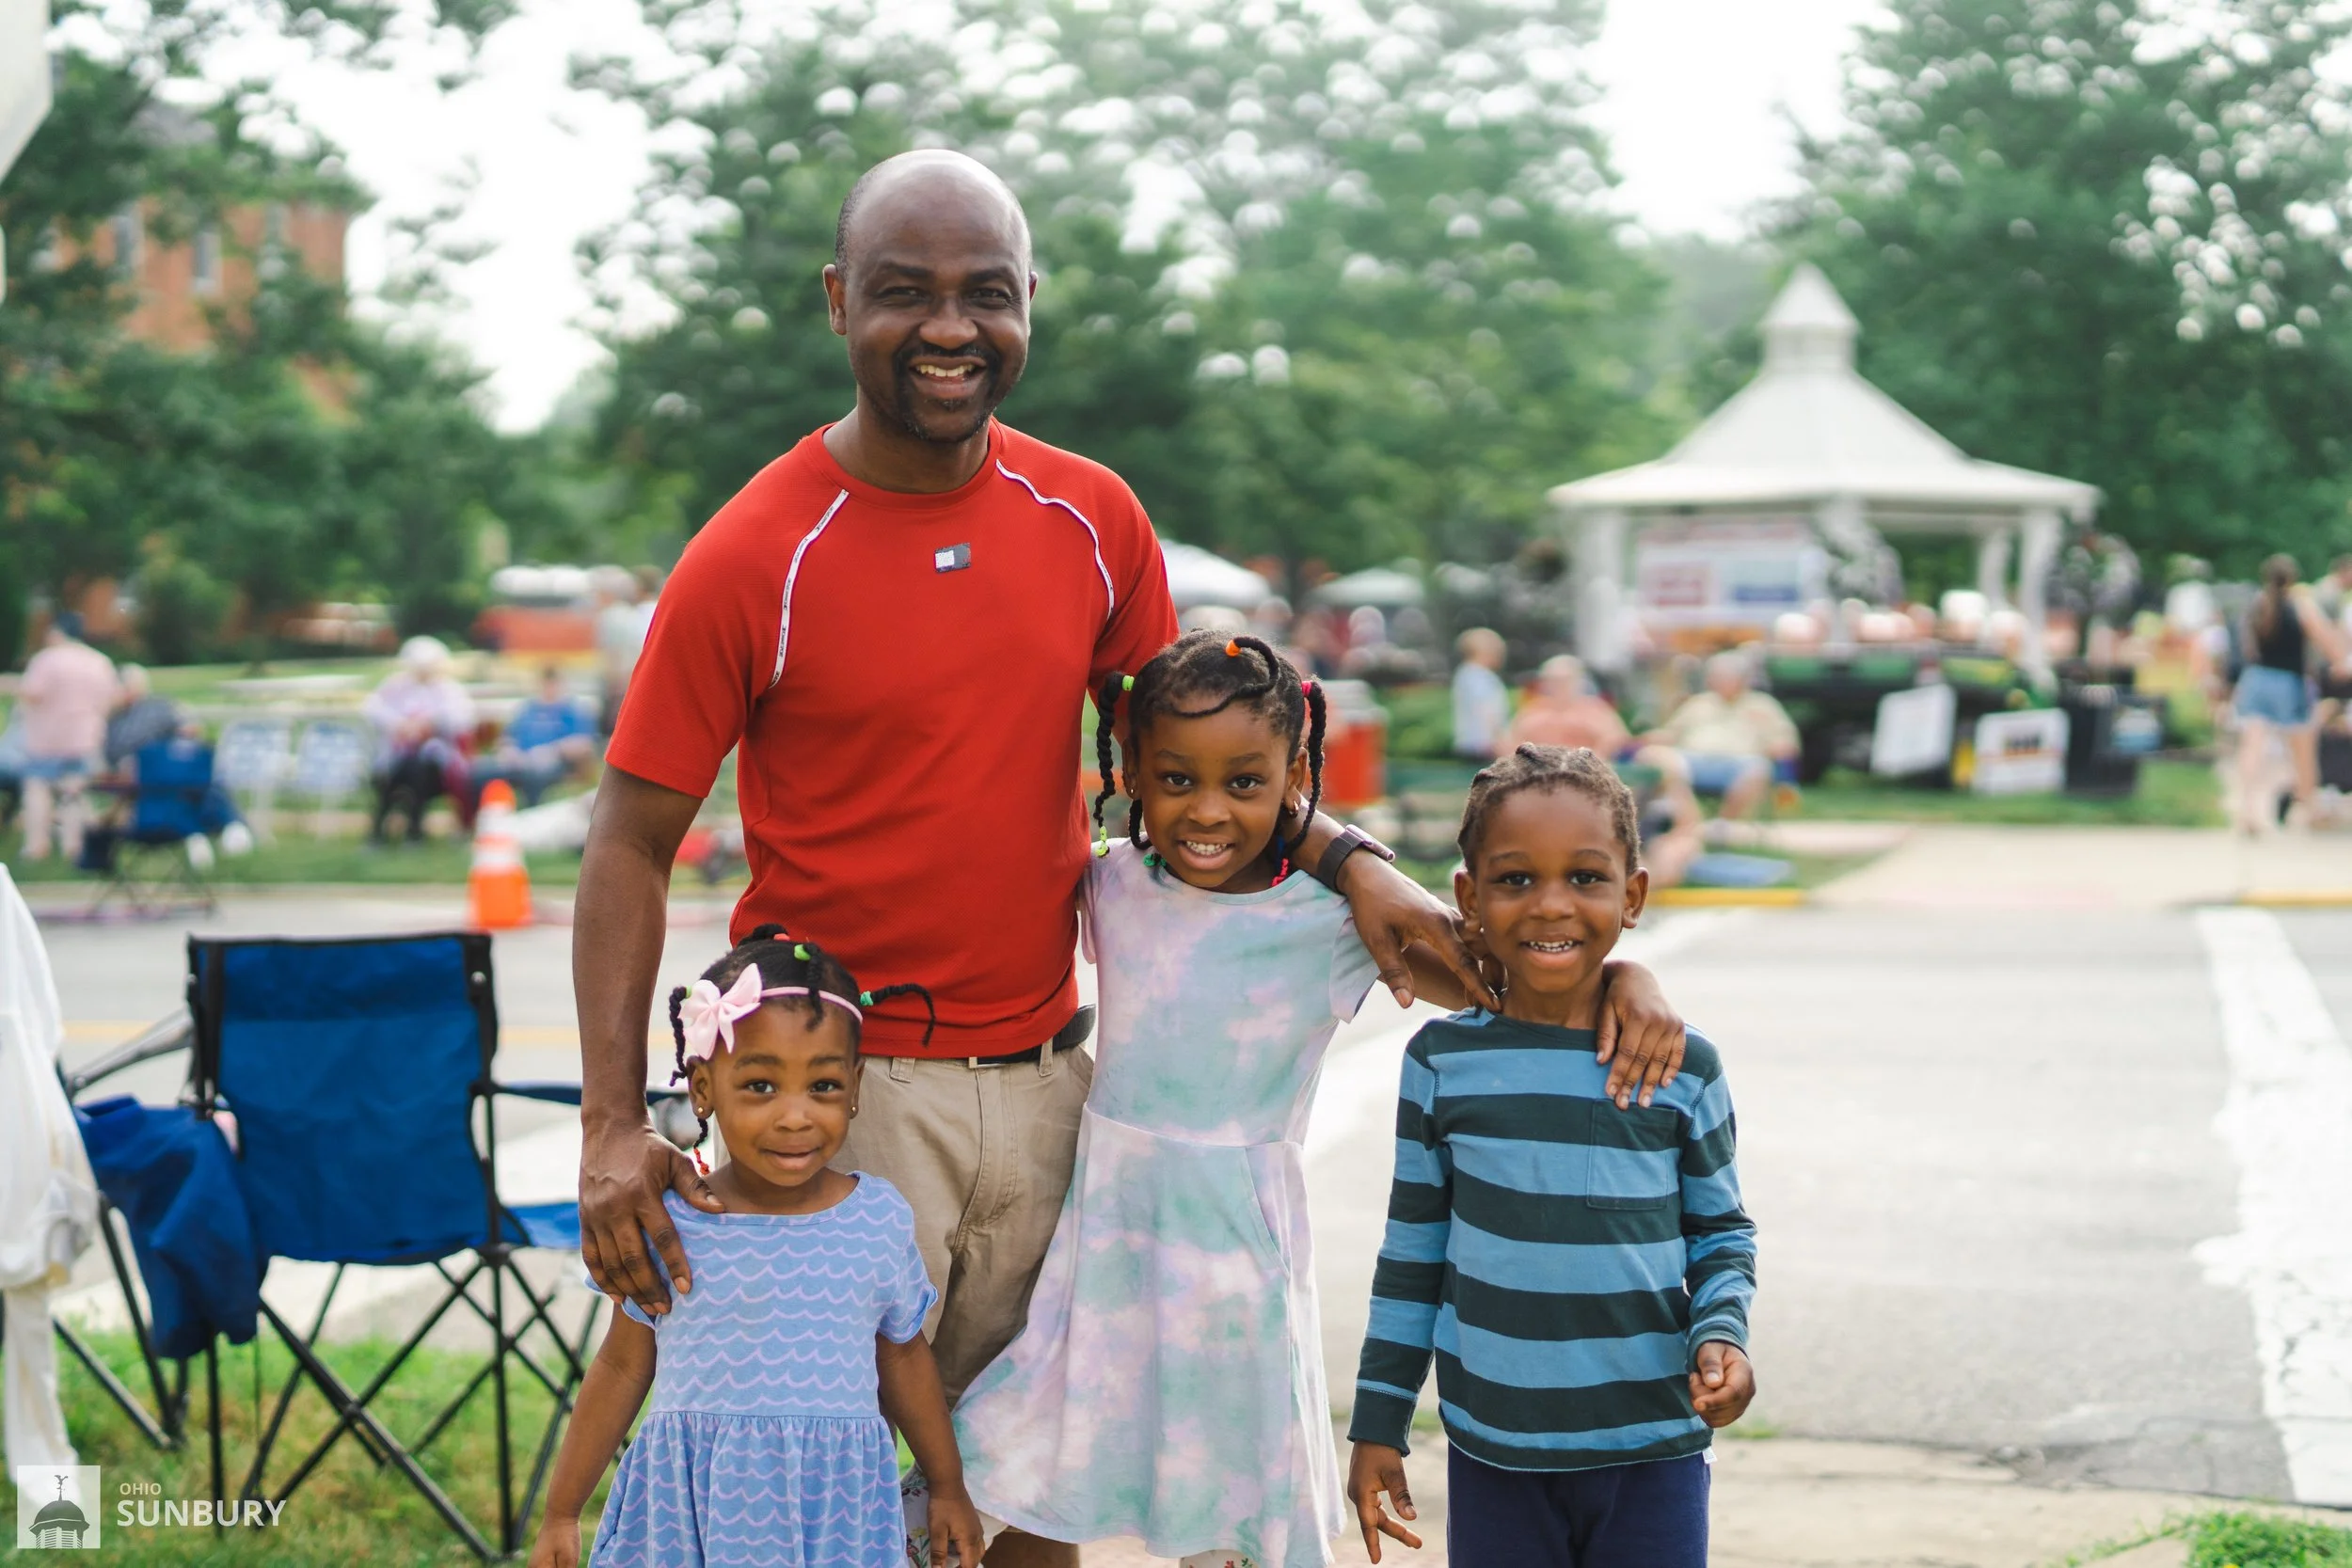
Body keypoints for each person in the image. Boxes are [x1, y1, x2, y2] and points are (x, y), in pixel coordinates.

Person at [569, 151, 1682, 1568]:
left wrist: (1357, 862)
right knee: (833, 1500)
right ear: (839, 301)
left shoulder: (1092, 516)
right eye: (904, 294)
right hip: (842, 1097)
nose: (951, 328)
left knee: (1032, 1488)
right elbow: (629, 835)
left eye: (987, 293)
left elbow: (1197, 775)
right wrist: (614, 1120)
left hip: (1049, 1093)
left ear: (1031, 302)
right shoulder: (756, 550)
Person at [955, 635, 1578, 1568]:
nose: (1207, 810)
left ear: (1294, 775)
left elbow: (1497, 980)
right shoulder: (1112, 879)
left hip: (1234, 1264)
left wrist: (1621, 988)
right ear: (1128, 770)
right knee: (1032, 1476)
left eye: (1243, 783)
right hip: (1103, 1248)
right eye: (1176, 779)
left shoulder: (1330, 920)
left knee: (1232, 1507)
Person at [1347, 746, 1758, 1567]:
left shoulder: (1684, 1067)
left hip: (1655, 1448)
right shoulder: (1440, 1064)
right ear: (1468, 897)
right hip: (1496, 1450)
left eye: (1585, 877)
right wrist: (1378, 1419)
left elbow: (1721, 1234)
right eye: (1514, 879)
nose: (1551, 906)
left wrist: (1726, 1335)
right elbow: (1413, 1257)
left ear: (1632, 894)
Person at [528, 929, 983, 1568]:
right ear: (704, 1089)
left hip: (833, 1518)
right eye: (761, 1087)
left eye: (822, 1086)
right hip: (692, 1518)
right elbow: (622, 1368)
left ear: (855, 1084)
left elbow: (905, 1360)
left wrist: (947, 1484)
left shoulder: (876, 1218)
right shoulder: (670, 1223)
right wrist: (561, 1512)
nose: (795, 1116)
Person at [2233, 553, 2348, 833]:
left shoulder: (2258, 604)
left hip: (2256, 678)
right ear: (2293, 578)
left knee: (2252, 746)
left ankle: (2247, 809)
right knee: (2303, 750)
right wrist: (2338, 661)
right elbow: (2326, 640)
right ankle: (2310, 809)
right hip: (2288, 682)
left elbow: (2246, 647)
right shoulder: (2301, 604)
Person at [14, 613, 119, 863]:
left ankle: (37, 845)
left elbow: (32, 693)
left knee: (38, 790)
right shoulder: (98, 662)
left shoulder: (46, 660)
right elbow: (111, 699)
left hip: (47, 739)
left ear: (57, 632)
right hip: (84, 738)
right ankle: (73, 844)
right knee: (75, 791)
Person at [1646, 651, 1799, 821]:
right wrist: (1652, 739)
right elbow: (1670, 734)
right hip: (1691, 761)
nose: (1715, 681)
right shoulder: (1699, 702)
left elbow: (1785, 743)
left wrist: (1778, 749)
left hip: (1740, 764)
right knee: (1655, 755)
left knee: (1759, 769)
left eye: (1724, 677)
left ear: (1743, 680)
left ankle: (1723, 823)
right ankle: (1687, 818)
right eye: (1715, 677)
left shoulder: (1763, 705)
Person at [361, 636, 476, 843]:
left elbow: (462, 719)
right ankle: (406, 831)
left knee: (415, 769)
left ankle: (386, 832)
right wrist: (399, 724)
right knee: (401, 771)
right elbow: (373, 709)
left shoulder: (448, 690)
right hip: (397, 758)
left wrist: (431, 723)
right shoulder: (396, 686)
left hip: (436, 762)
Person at [474, 668, 597, 808]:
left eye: (552, 684)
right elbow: (508, 736)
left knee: (534, 775)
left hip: (553, 762)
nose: (549, 688)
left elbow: (584, 743)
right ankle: (480, 818)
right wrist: (509, 749)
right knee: (480, 770)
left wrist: (553, 750)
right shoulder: (528, 708)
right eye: (545, 684)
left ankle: (529, 817)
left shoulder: (573, 709)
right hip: (519, 761)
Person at [1503, 654, 1631, 758]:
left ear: (1579, 681)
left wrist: (1595, 758)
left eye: (1566, 679)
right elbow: (1509, 742)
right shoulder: (1531, 710)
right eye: (1553, 680)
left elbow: (1617, 740)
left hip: (1588, 773)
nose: (1560, 685)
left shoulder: (1596, 709)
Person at [102, 665, 185, 771]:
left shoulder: (160, 706)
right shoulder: (111, 710)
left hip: (152, 764)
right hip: (116, 766)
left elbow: (187, 728)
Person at [1449, 627, 1510, 761]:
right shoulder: (1479, 676)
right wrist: (1500, 742)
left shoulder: (1465, 673)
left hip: (1473, 745)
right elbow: (1486, 711)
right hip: (1484, 747)